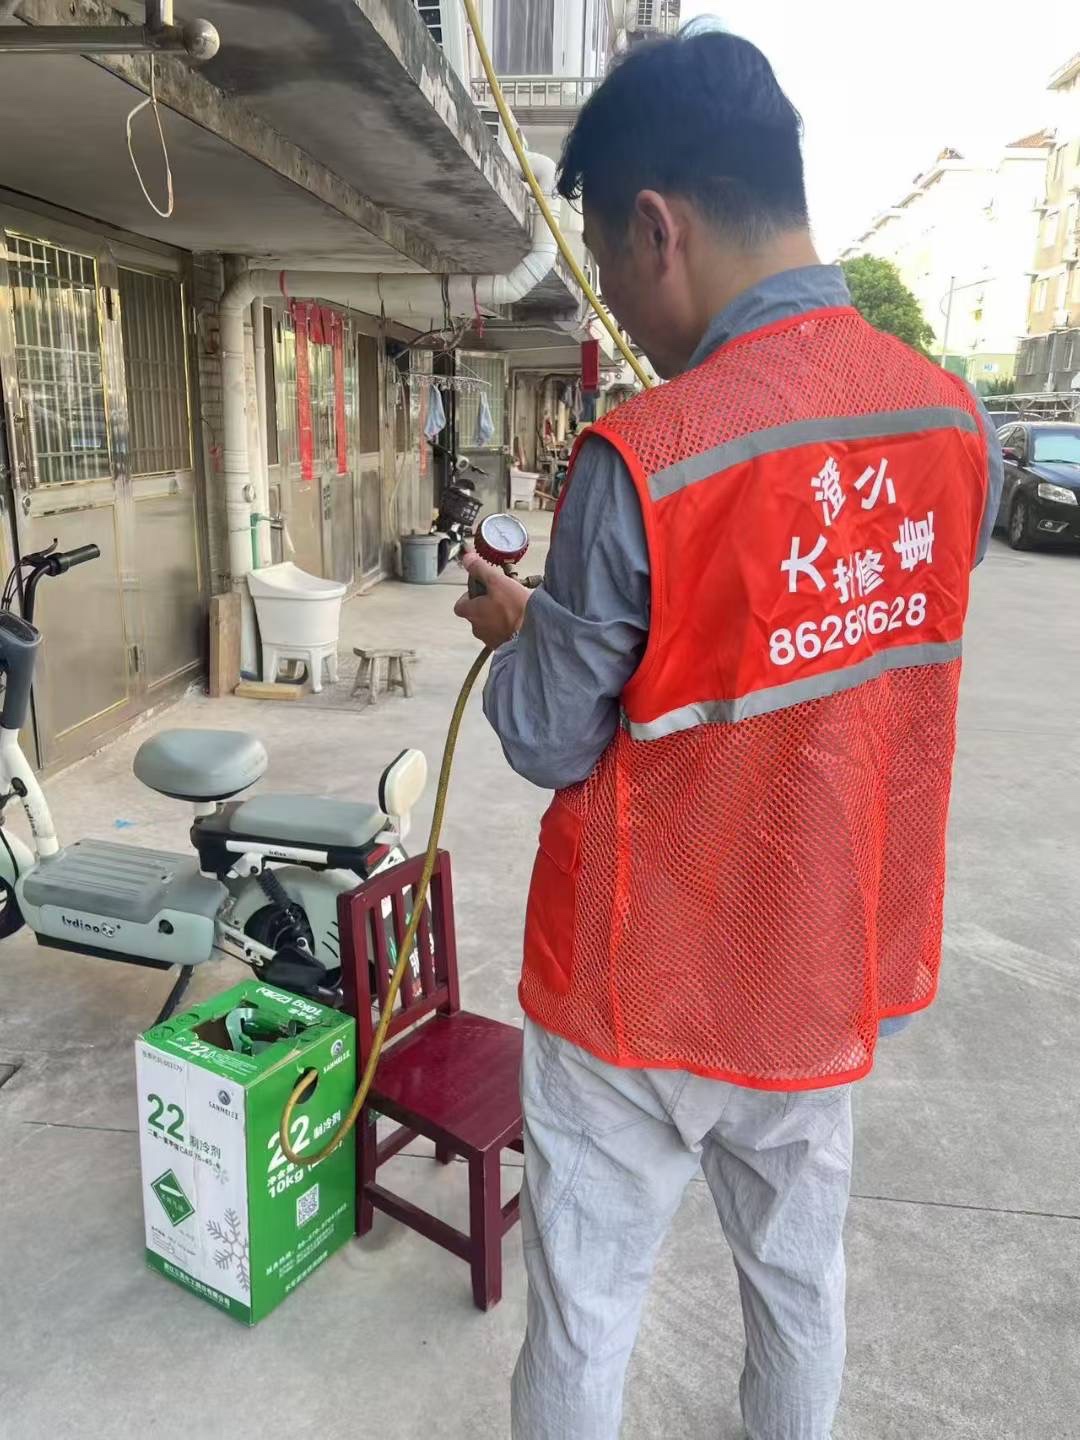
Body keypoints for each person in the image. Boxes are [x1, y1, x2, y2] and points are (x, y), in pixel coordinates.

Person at [454, 29, 1003, 1440]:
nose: (629, 318)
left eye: (611, 262)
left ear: (658, 226)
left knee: (586, 1318)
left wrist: (522, 634)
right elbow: (835, 664)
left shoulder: (649, 455)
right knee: (800, 1294)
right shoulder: (957, 429)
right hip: (819, 971)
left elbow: (550, 739)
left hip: (633, 993)